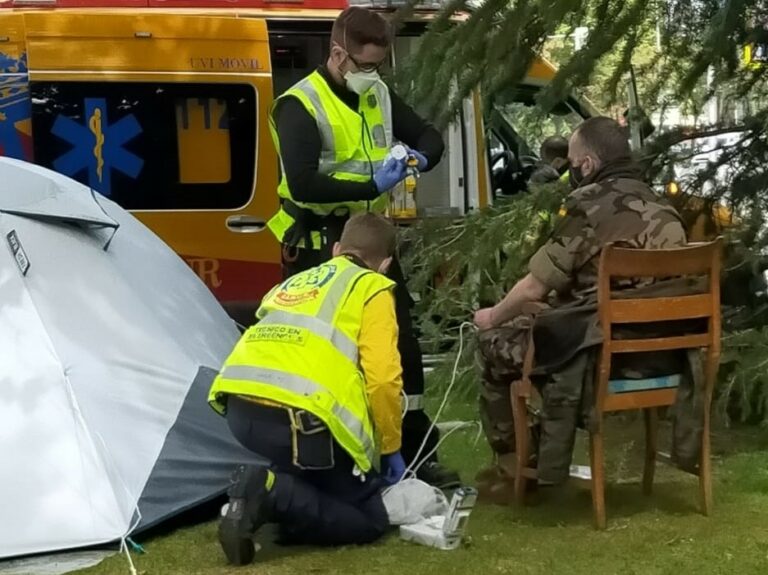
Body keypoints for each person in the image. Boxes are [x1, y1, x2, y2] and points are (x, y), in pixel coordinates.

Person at [267, 6, 458, 488]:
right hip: (317, 243)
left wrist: (419, 157)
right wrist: (371, 180)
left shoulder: (377, 93)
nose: (372, 74)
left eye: (379, 65)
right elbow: (305, 182)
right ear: (338, 54)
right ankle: (320, 456)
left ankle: (414, 450)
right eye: (365, 64)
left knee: (399, 345)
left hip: (370, 240)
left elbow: (430, 136)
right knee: (325, 354)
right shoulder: (298, 105)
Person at [472, 117, 688, 497]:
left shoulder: (585, 205)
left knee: (493, 343)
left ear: (586, 165)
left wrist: (492, 316)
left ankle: (515, 468)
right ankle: (537, 455)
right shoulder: (666, 208)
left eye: (572, 163)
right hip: (660, 355)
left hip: (594, 355)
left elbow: (535, 286)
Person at [208, 214, 406, 565]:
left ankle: (274, 500)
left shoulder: (294, 283)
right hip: (299, 422)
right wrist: (390, 446)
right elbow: (383, 379)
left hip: (239, 408)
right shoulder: (371, 287)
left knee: (319, 485)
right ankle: (269, 492)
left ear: (335, 249)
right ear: (386, 265)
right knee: (371, 519)